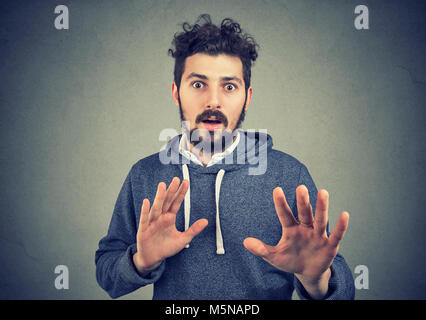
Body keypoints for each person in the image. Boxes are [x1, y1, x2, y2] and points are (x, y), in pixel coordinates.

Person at [95, 14, 355, 300]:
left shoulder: (289, 174)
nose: (213, 101)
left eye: (229, 86)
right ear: (175, 93)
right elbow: (108, 275)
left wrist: (316, 279)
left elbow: (341, 289)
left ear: (248, 97)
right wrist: (140, 262)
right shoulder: (144, 175)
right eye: (198, 84)